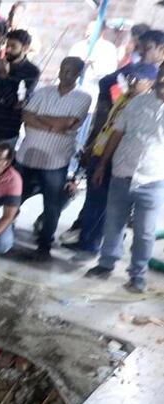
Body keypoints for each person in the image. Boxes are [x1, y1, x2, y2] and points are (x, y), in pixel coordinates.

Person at [65, 62, 158, 259]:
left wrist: (105, 161)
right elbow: (108, 127)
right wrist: (92, 149)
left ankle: (92, 246)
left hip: (116, 161)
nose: (132, 82)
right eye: (131, 78)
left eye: (137, 80)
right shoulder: (125, 98)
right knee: (93, 202)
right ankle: (86, 242)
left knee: (104, 208)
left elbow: (123, 137)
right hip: (101, 153)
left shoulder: (144, 107)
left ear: (150, 83)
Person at [85, 66, 164, 293]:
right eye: (162, 75)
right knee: (113, 223)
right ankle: (105, 264)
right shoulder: (136, 103)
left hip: (153, 180)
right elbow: (117, 133)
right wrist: (102, 164)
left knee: (145, 232)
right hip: (121, 173)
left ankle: (137, 275)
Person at [16, 56, 92, 260]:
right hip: (27, 155)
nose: (64, 73)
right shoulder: (43, 91)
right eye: (63, 68)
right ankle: (4, 232)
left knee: (51, 205)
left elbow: (66, 124)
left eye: (70, 70)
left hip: (55, 161)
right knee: (15, 198)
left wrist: (40, 120)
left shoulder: (83, 97)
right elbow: (25, 117)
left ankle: (44, 244)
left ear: (78, 74)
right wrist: (52, 126)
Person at [0, 29, 40, 145]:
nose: (8, 50)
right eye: (7, 45)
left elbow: (18, 103)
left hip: (8, 131)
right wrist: (5, 96)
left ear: (25, 48)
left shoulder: (31, 72)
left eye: (13, 46)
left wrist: (4, 77)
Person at [95, 29, 164, 131]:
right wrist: (105, 111)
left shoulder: (154, 71)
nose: (141, 53)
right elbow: (104, 82)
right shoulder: (136, 67)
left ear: (162, 50)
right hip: (119, 120)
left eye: (147, 49)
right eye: (140, 49)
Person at [68, 21, 119, 96]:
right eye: (88, 29)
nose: (88, 32)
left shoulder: (109, 48)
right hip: (72, 89)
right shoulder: (78, 46)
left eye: (92, 29)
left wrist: (92, 66)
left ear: (102, 31)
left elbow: (110, 72)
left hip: (92, 91)